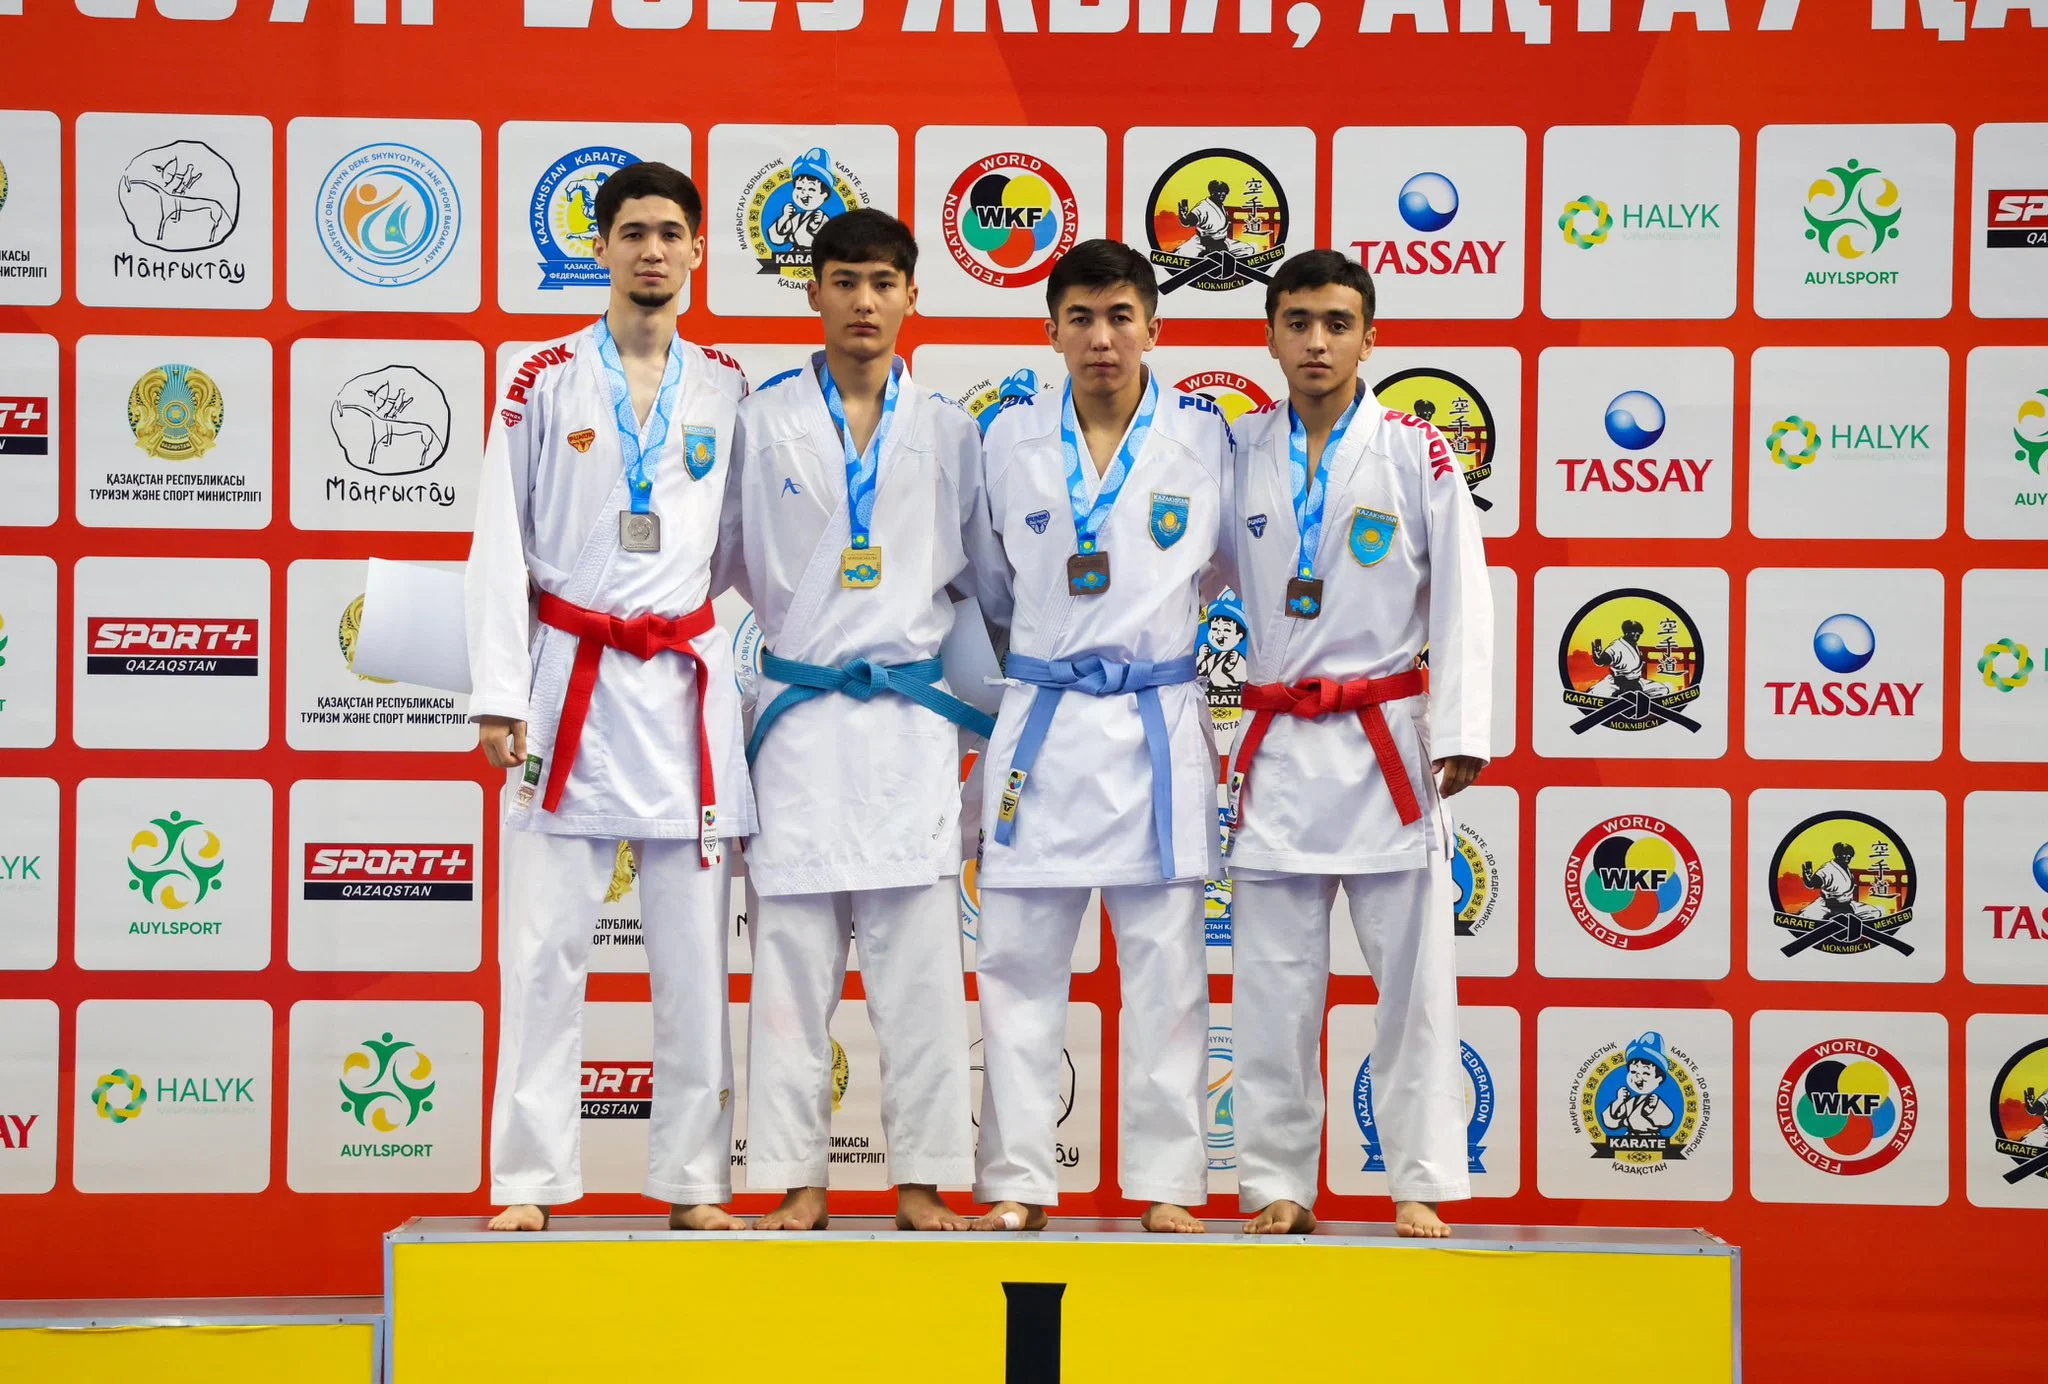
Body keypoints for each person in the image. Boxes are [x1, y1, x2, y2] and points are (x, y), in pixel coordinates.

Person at [465, 161, 754, 1233]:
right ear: (600, 247)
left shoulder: (725, 384)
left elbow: (741, 544)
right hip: (567, 686)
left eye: (670, 233)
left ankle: (694, 1182)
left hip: (679, 688)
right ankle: (528, 1179)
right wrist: (500, 693)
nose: (651, 250)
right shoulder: (540, 375)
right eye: (631, 232)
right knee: (544, 950)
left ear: (697, 251)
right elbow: (497, 538)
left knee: (693, 955)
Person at [726, 208, 994, 1232]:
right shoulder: (760, 423)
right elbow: (719, 561)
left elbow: (979, 583)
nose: (864, 302)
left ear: (913, 295)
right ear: (813, 293)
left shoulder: (950, 430)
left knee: (921, 978)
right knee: (790, 975)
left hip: (910, 731)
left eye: (883, 282)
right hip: (799, 723)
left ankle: (923, 1178)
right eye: (844, 281)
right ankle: (797, 1177)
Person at [966, 239, 1236, 1235]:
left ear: (1153, 327)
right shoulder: (1006, 439)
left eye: (1120, 316)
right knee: (1015, 966)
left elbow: (1220, 573)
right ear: (1051, 331)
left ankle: (1168, 1182)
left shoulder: (1205, 440)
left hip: (1154, 728)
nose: (1101, 338)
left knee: (1167, 971)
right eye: (1079, 318)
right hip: (1041, 728)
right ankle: (1016, 1179)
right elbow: (989, 590)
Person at [1224, 248, 1491, 1239]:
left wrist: (1461, 728)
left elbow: (1463, 594)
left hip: (1385, 749)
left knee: (1414, 989)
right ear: (1270, 335)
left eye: (1336, 323)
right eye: (1297, 322)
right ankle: (1275, 1181)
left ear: (1369, 338)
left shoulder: (1418, 452)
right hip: (1279, 750)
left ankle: (1419, 1176)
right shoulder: (1237, 450)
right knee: (1272, 988)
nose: (1316, 342)